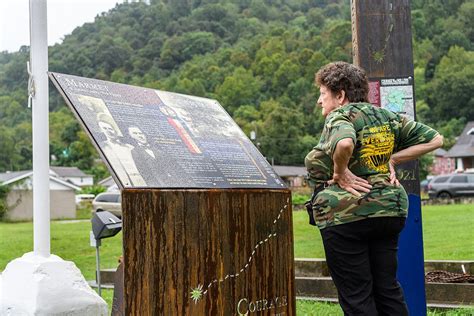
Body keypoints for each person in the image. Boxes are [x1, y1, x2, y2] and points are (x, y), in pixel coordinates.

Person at [305, 61, 443, 315]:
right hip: (389, 212)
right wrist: (392, 158)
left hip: (346, 216)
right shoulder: (386, 116)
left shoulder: (341, 115)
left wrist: (340, 173)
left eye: (322, 94)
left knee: (357, 295)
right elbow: (435, 139)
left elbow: (345, 144)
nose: (319, 101)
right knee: (387, 289)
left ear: (340, 95)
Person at [97, 114, 146, 187]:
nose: (108, 131)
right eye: (105, 128)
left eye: (110, 129)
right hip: (120, 184)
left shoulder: (130, 147)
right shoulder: (102, 147)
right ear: (101, 130)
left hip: (139, 183)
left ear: (115, 130)